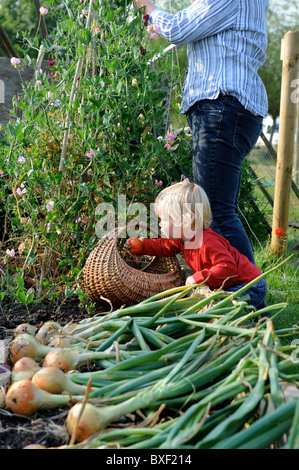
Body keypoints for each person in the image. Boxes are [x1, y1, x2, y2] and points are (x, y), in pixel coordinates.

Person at [132, 0, 269, 265]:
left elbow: (178, 29)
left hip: (222, 106)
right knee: (219, 208)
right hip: (228, 107)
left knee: (216, 211)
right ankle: (234, 287)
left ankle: (248, 294)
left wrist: (147, 8)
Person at [126, 181, 267, 309]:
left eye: (164, 219)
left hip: (249, 285)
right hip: (233, 284)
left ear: (186, 221)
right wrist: (143, 246)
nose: (160, 224)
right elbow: (164, 246)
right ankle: (262, 317)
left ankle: (245, 329)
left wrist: (198, 278)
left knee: (225, 308)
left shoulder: (208, 242)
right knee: (223, 304)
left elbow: (227, 267)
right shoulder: (182, 238)